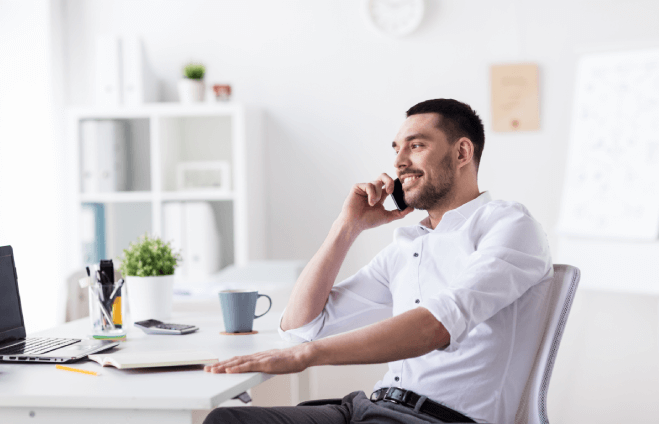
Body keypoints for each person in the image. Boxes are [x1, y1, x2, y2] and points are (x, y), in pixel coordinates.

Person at [203, 99, 553, 424]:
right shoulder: (409, 245)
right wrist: (347, 227)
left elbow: (435, 325)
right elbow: (299, 328)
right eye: (397, 149)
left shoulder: (508, 226)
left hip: (435, 419)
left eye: (416, 146)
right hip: (370, 408)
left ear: (462, 152)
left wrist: (305, 357)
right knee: (226, 420)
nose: (400, 161)